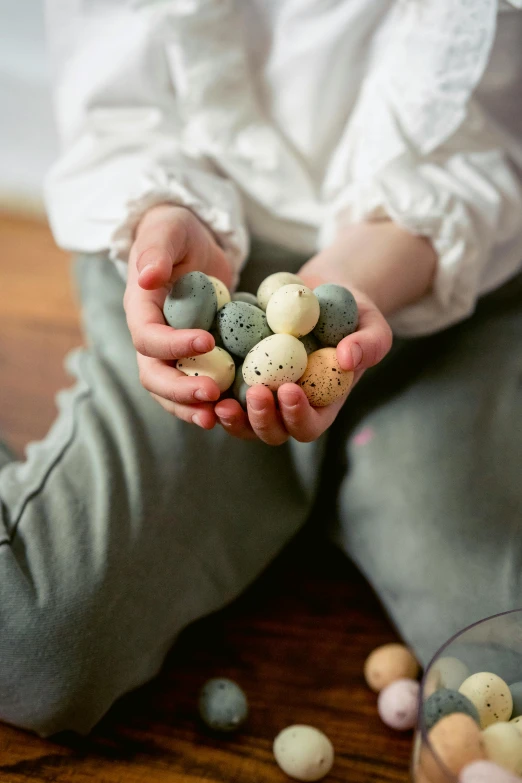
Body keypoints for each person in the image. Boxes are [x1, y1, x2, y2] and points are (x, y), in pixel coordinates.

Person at [1, 0, 522, 737]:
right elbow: (119, 100)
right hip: (199, 266)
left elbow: (499, 132)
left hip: (438, 262)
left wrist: (350, 280)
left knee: (507, 664)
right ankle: (293, 490)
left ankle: (328, 480)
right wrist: (163, 217)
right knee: (35, 637)